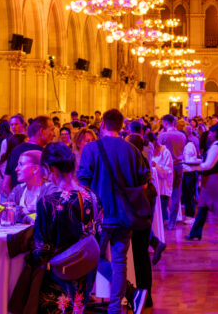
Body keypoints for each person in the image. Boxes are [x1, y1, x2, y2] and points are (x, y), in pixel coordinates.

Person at [77, 109, 150, 314]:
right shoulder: (131, 150)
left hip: (99, 215)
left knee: (94, 258)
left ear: (102, 125)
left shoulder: (91, 149)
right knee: (119, 260)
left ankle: (82, 305)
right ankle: (115, 307)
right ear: (122, 126)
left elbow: (83, 184)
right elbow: (143, 183)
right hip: (125, 215)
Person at [31, 142, 100, 313]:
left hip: (59, 273)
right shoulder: (91, 196)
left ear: (51, 168)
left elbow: (41, 249)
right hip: (85, 271)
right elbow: (97, 233)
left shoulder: (48, 202)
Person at [184, 123, 218, 243]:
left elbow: (208, 165)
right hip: (214, 179)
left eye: (211, 132)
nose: (209, 135)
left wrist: (192, 167)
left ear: (215, 133)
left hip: (215, 179)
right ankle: (195, 233)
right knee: (202, 206)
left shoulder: (217, 146)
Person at [4, 116, 55, 194]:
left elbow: (5, 185)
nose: (54, 134)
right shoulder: (44, 154)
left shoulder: (15, 150)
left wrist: (15, 201)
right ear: (42, 131)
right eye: (52, 130)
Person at [7, 150, 56, 223]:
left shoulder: (50, 190)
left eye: (21, 164)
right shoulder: (18, 189)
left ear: (35, 169)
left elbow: (44, 218)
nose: (16, 169)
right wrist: (22, 211)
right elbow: (2, 209)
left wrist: (23, 215)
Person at [158, 114, 186, 230]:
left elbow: (159, 151)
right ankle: (172, 223)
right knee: (176, 194)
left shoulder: (163, 136)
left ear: (165, 123)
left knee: (164, 193)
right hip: (179, 165)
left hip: (168, 166)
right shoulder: (182, 135)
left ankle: (162, 219)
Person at [147, 132, 173, 222]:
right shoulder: (148, 151)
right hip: (152, 187)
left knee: (161, 215)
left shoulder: (165, 152)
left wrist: (156, 166)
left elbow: (168, 172)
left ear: (154, 142)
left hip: (163, 188)